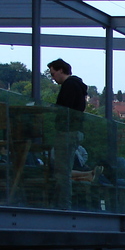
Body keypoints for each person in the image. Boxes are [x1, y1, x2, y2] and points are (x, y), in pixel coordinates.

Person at [47, 58, 88, 208]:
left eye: (53, 73)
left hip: (66, 131)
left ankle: (63, 204)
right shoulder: (78, 86)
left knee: (62, 172)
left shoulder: (69, 86)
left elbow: (64, 109)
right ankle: (64, 204)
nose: (52, 77)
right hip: (75, 131)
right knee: (65, 170)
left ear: (60, 70)